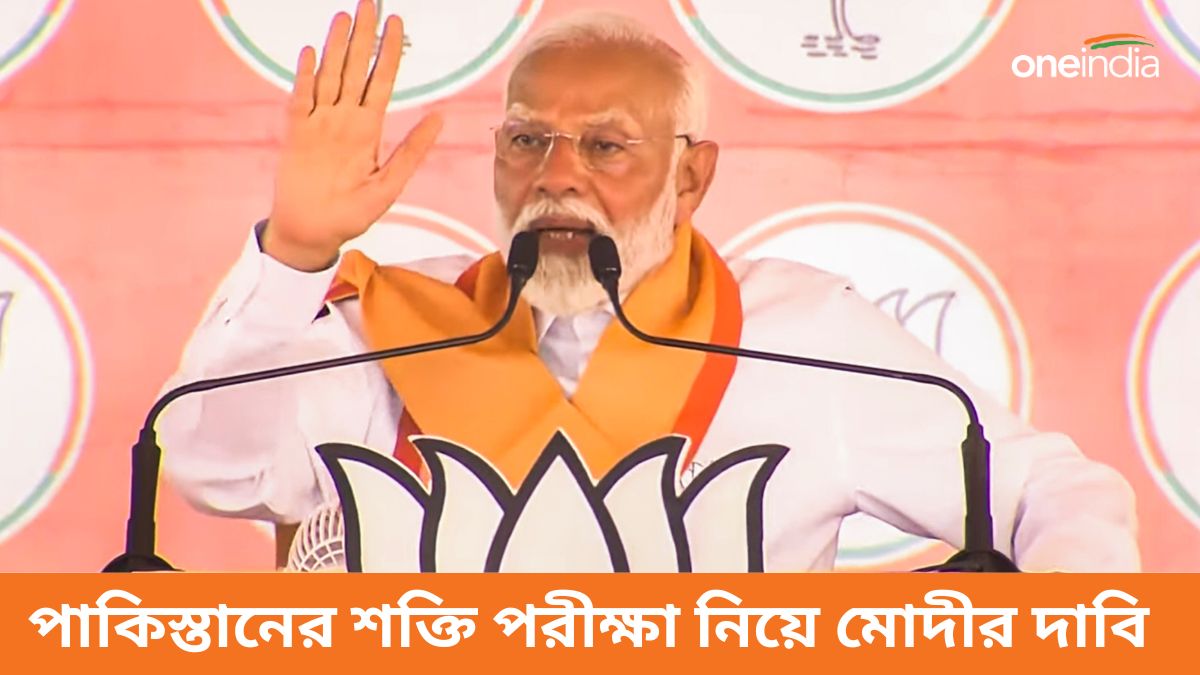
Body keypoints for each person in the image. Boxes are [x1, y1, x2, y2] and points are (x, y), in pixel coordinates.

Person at [160, 1, 1139, 571]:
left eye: (606, 147)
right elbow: (215, 470)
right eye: (527, 140)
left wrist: (1070, 629)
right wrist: (295, 253)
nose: (556, 177)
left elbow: (1049, 490)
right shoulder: (398, 321)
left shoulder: (801, 335)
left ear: (691, 175)